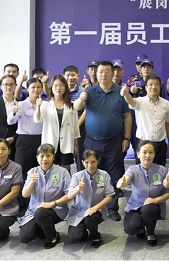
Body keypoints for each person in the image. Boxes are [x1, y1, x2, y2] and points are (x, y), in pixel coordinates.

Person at [74, 60, 132, 222]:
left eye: (107, 71)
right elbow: (77, 107)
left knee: (114, 175)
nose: (104, 74)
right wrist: (81, 98)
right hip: (92, 141)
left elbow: (127, 116)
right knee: (91, 174)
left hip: (114, 141)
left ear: (112, 73)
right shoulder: (89, 91)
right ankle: (91, 206)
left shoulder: (120, 91)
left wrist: (127, 138)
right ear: (96, 74)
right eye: (101, 71)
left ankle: (112, 208)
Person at [118, 141, 169, 247]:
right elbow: (126, 179)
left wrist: (155, 200)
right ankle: (141, 226)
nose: (147, 155)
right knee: (130, 228)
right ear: (138, 154)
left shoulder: (162, 170)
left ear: (154, 154)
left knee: (148, 209)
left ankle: (150, 233)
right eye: (144, 152)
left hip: (153, 206)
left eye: (151, 152)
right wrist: (122, 182)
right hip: (136, 205)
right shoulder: (132, 169)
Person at [19, 143, 72, 248]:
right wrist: (32, 182)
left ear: (53, 157)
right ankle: (45, 229)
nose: (45, 159)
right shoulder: (32, 172)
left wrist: (52, 203)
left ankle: (52, 237)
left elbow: (70, 195)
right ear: (37, 157)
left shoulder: (62, 172)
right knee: (25, 237)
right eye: (41, 156)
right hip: (34, 211)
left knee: (40, 212)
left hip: (56, 209)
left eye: (48, 156)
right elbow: (24, 195)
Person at [64, 150, 115, 247]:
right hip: (79, 211)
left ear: (98, 161)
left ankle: (95, 236)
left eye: (93, 162)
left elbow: (109, 196)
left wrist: (95, 208)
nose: (90, 165)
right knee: (73, 238)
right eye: (87, 162)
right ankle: (83, 231)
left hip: (97, 210)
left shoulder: (104, 175)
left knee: (90, 219)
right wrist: (78, 188)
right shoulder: (77, 176)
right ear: (82, 162)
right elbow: (69, 195)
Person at [122, 75, 169, 166]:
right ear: (146, 87)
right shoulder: (140, 101)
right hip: (143, 145)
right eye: (151, 84)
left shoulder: (166, 104)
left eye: (156, 84)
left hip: (160, 145)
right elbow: (131, 101)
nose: (154, 87)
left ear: (160, 87)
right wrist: (126, 94)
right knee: (142, 172)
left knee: (159, 172)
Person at [35, 75, 80, 172]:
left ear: (65, 87)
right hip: (50, 141)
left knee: (65, 171)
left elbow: (75, 124)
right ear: (51, 88)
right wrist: (38, 106)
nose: (58, 88)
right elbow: (37, 119)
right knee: (49, 171)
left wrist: (75, 143)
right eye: (55, 86)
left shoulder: (71, 104)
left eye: (61, 85)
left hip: (67, 141)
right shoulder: (45, 104)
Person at [8, 78, 44, 178]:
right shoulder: (21, 104)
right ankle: (22, 189)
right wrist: (13, 112)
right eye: (33, 87)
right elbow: (10, 122)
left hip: (40, 139)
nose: (36, 89)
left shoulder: (45, 104)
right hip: (24, 140)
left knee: (39, 169)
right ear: (27, 89)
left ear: (42, 89)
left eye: (38, 87)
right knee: (22, 169)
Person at [64, 65, 87, 169]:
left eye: (73, 75)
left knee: (80, 156)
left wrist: (77, 124)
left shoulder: (83, 91)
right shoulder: (61, 91)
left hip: (80, 127)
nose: (70, 78)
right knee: (65, 158)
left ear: (77, 76)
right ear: (64, 76)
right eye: (68, 75)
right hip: (64, 128)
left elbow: (86, 110)